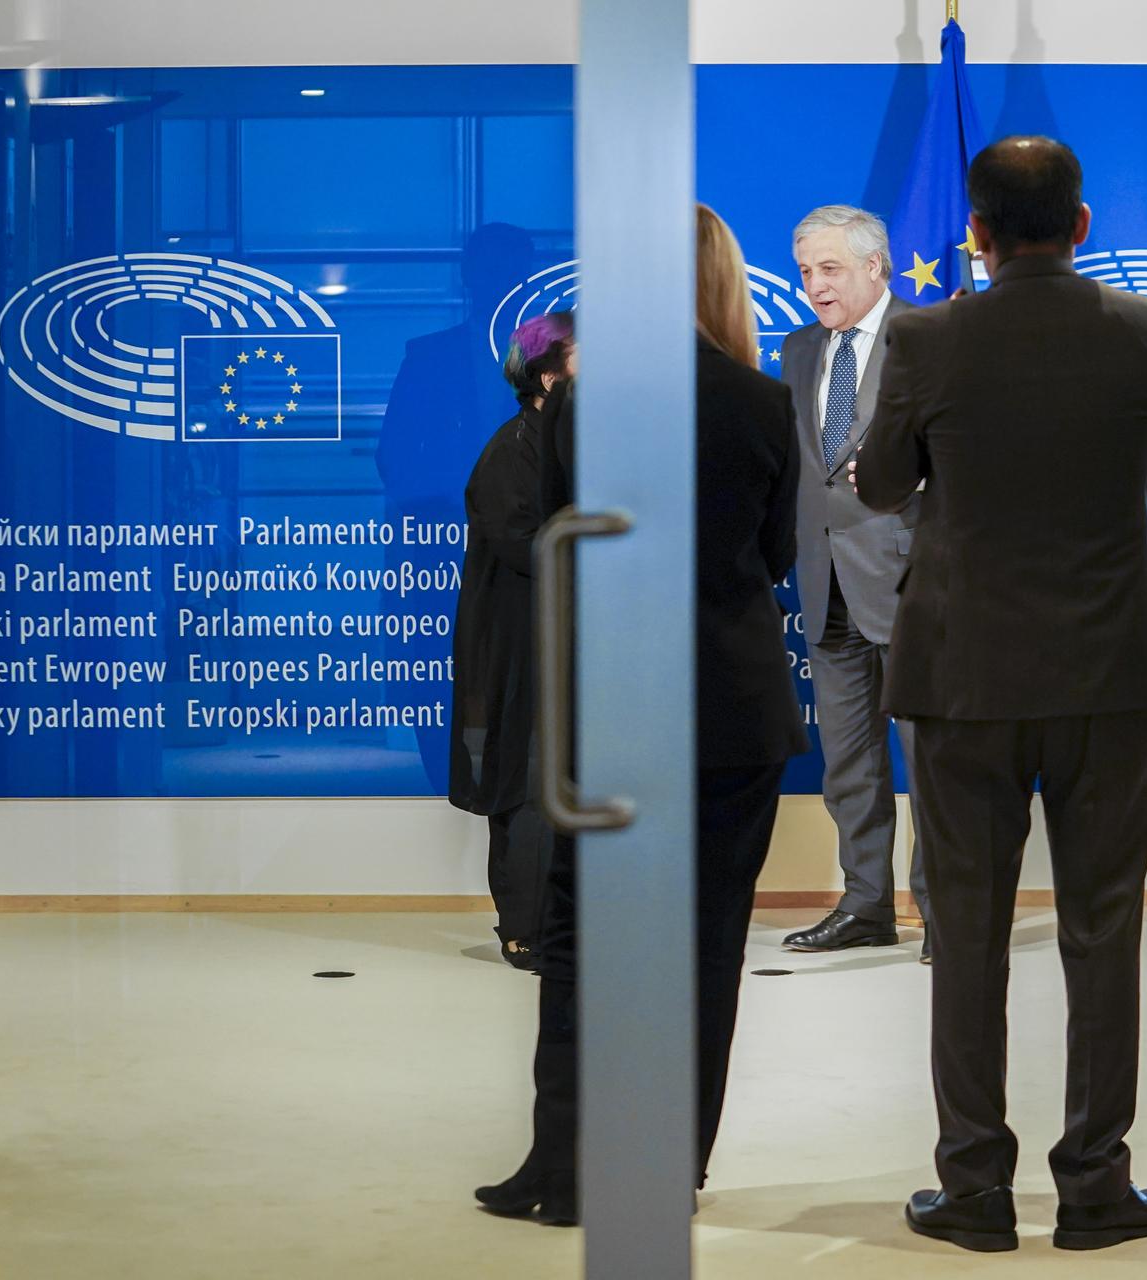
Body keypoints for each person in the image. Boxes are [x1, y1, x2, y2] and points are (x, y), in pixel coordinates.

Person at [852, 135, 1147, 1254]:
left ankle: (974, 1187)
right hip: (1108, 675)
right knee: (1104, 933)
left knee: (968, 932)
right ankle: (1095, 1181)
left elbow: (884, 480)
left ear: (978, 236)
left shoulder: (923, 332)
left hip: (963, 677)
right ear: (1082, 225)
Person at [473, 204, 807, 1224]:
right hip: (730, 712)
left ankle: (562, 1167)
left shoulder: (583, 401)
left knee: (578, 937)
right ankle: (666, 1169)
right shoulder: (761, 400)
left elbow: (572, 542)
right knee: (703, 948)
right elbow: (778, 555)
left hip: (614, 708)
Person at [778, 205, 930, 960]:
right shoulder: (799, 348)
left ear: (877, 267)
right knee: (848, 764)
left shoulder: (929, 342)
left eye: (830, 268)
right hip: (823, 582)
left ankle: (943, 913)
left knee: (931, 763)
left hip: (911, 584)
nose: (814, 286)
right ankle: (866, 904)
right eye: (806, 270)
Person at [378, 223, 541, 794]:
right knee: (435, 664)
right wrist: (451, 503)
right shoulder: (429, 355)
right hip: (441, 542)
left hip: (538, 552)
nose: (498, 281)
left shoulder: (564, 358)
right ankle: (446, 782)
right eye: (488, 268)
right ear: (469, 277)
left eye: (510, 269)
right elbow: (393, 456)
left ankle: (522, 785)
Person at [448, 313, 575, 972]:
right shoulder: (512, 449)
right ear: (548, 372)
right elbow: (524, 545)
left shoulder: (566, 440)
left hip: (566, 641)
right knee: (527, 786)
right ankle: (523, 925)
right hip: (523, 646)